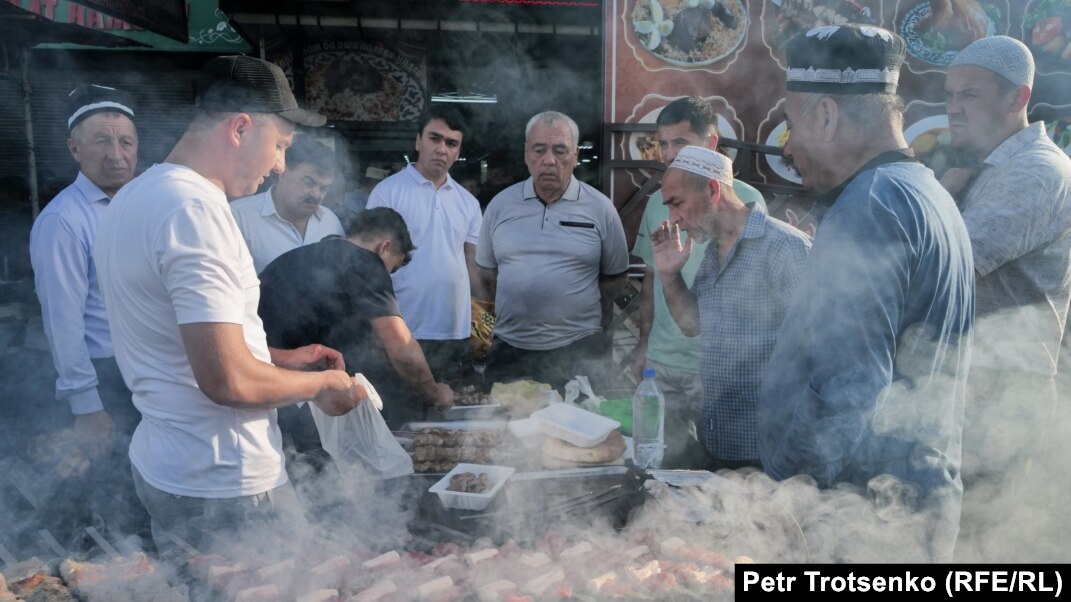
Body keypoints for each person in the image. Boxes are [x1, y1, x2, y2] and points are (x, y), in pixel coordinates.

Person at [93, 55, 366, 560]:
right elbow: (228, 381)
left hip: (167, 467)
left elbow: (175, 341)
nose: (281, 164)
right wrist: (321, 386)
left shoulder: (134, 197)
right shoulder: (195, 210)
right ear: (241, 128)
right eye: (281, 145)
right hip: (226, 485)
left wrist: (281, 358)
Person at [755, 25, 974, 562]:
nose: (789, 147)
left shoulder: (868, 209)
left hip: (864, 525)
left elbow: (847, 393)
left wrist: (791, 503)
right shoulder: (925, 192)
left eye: (790, 124)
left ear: (825, 117)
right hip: (915, 505)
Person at [940, 36, 1071, 560]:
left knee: (984, 549)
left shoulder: (1035, 172)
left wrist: (941, 197)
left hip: (1004, 399)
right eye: (948, 95)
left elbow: (953, 266)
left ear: (1017, 98)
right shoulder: (988, 164)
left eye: (967, 95)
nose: (952, 108)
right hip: (973, 388)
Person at [28, 83, 147, 537]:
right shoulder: (63, 220)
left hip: (148, 369)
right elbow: (63, 322)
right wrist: (87, 405)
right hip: (106, 377)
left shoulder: (142, 207)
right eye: (102, 141)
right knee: (117, 494)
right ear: (74, 149)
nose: (116, 154)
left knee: (152, 482)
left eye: (126, 142)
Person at [650, 146, 811, 471]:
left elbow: (818, 351)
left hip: (767, 449)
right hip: (717, 438)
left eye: (677, 204)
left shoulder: (786, 247)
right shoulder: (712, 253)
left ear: (711, 190)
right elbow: (692, 324)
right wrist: (669, 275)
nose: (673, 219)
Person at [630, 96, 770, 468]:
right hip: (663, 360)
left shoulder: (747, 207)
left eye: (681, 143)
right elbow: (650, 280)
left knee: (717, 463)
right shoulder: (658, 201)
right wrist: (644, 344)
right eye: (664, 143)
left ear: (711, 144)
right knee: (664, 461)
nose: (669, 153)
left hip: (715, 366)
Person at [258, 207, 454, 432]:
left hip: (268, 391)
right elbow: (402, 348)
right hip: (308, 401)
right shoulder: (366, 263)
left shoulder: (296, 257)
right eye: (391, 268)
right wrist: (434, 392)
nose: (386, 275)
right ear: (384, 247)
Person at [477, 111, 629, 389]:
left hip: (578, 351)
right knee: (502, 430)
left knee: (582, 429)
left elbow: (615, 281)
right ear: (526, 154)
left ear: (575, 156)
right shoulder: (500, 206)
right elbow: (486, 278)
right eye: (539, 150)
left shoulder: (600, 208)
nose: (549, 160)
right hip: (510, 350)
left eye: (560, 150)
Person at [367, 108, 486, 402]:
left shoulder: (468, 203)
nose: (441, 149)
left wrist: (482, 331)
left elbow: (474, 269)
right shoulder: (387, 193)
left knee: (450, 425)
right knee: (403, 418)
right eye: (435, 138)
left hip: (454, 332)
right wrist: (374, 329)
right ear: (418, 141)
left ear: (458, 152)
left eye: (451, 143)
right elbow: (370, 267)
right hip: (403, 331)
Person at [230, 133, 344, 274]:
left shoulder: (330, 221)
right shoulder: (238, 218)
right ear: (283, 172)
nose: (316, 194)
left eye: (324, 188)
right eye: (308, 182)